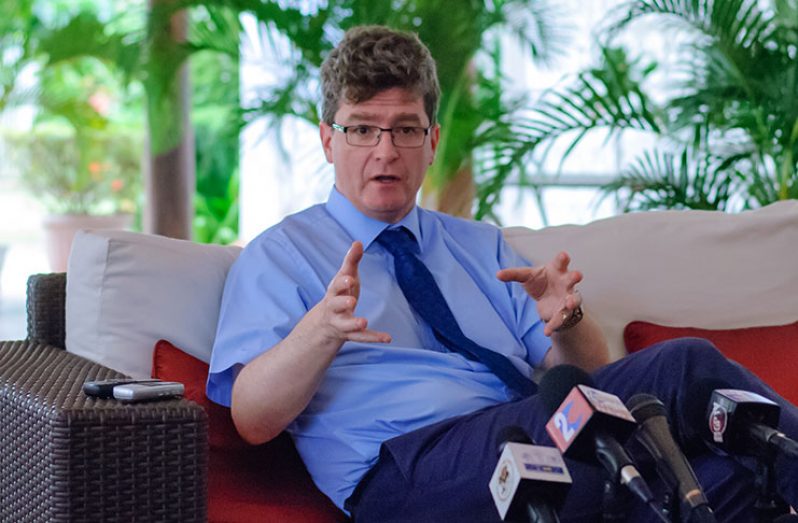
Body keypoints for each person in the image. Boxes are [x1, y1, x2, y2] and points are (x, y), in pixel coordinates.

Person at [207, 25, 798, 522]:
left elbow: (587, 380)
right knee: (683, 364)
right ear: (327, 141)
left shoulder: (480, 244)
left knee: (737, 480)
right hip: (409, 470)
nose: (384, 150)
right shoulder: (281, 254)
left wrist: (567, 320)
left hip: (534, 440)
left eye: (406, 129)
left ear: (432, 140)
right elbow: (253, 420)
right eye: (361, 128)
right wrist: (321, 332)